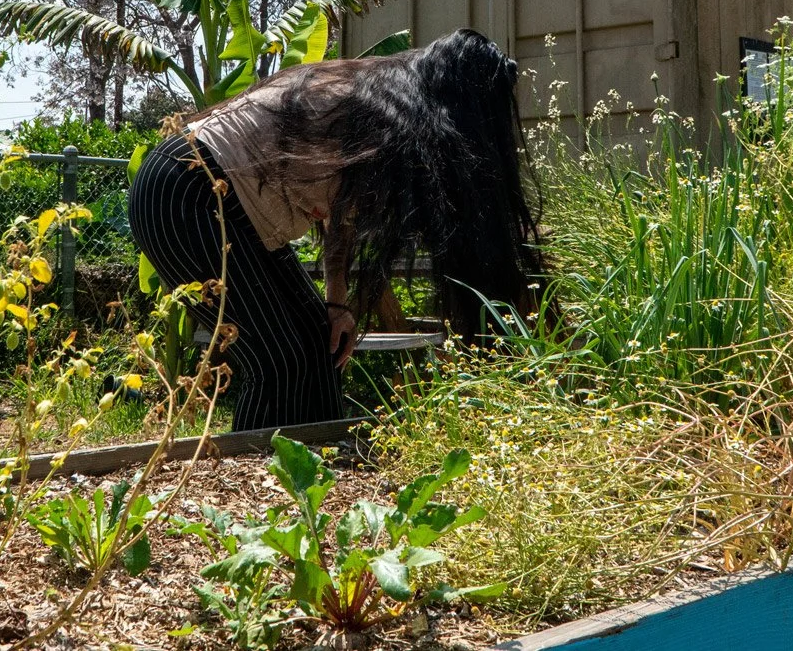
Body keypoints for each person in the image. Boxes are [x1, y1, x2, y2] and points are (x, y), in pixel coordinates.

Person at [126, 28, 542, 431]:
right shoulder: (376, 106)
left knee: (317, 341)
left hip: (230, 202)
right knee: (277, 359)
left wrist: (336, 305)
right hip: (184, 189)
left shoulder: (382, 106)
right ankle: (254, 470)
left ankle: (315, 459)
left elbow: (342, 215)